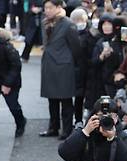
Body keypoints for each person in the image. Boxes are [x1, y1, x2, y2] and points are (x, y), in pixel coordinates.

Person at [39, 0, 82, 140]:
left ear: (58, 7)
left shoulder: (68, 24)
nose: (47, 10)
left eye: (50, 7)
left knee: (66, 100)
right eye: (45, 7)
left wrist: (70, 62)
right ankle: (53, 127)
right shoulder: (45, 23)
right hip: (49, 65)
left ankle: (67, 130)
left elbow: (76, 47)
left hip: (64, 66)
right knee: (51, 99)